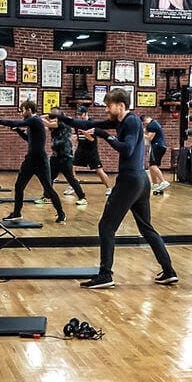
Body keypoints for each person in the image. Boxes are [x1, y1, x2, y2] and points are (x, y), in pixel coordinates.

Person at [54, 88, 177, 289]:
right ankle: (169, 271)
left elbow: (126, 149)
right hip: (141, 180)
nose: (105, 110)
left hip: (130, 181)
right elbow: (88, 124)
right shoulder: (122, 121)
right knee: (146, 228)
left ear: (121, 105)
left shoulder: (131, 121)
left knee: (106, 226)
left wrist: (103, 135)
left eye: (108, 106)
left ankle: (105, 275)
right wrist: (62, 118)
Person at [0, 100, 66, 224]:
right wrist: (18, 131)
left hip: (40, 160)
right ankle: (17, 213)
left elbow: (16, 122)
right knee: (19, 186)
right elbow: (29, 139)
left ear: (29, 110)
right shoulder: (32, 123)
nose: (21, 113)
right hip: (31, 159)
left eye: (23, 110)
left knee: (48, 188)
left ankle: (61, 213)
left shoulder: (35, 120)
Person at [41, 107, 87, 206]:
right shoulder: (55, 123)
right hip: (55, 155)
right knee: (49, 177)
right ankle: (46, 196)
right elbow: (45, 125)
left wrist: (38, 118)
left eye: (54, 116)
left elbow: (48, 123)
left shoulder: (63, 123)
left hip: (65, 156)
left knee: (70, 178)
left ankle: (82, 197)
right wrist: (47, 116)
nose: (52, 118)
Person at [68, 106, 114, 197]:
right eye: (77, 114)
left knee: (99, 170)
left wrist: (86, 134)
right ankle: (73, 186)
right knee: (71, 167)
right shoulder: (78, 124)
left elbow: (92, 140)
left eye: (80, 114)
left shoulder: (91, 123)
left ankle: (110, 188)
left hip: (91, 150)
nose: (78, 116)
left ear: (85, 114)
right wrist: (75, 138)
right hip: (81, 149)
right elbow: (78, 136)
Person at [141, 115, 170, 194]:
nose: (145, 125)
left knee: (153, 165)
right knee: (151, 166)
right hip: (159, 146)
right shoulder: (154, 123)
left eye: (144, 123)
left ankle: (163, 181)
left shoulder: (151, 125)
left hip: (157, 146)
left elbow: (149, 138)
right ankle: (155, 184)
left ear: (145, 120)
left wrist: (141, 133)